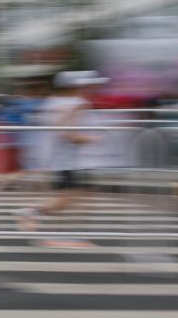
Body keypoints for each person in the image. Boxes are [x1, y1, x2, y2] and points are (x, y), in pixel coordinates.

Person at [14, 70, 109, 249]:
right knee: (74, 198)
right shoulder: (78, 104)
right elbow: (67, 133)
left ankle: (35, 215)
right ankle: (34, 214)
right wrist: (91, 139)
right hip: (71, 160)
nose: (94, 88)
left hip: (61, 159)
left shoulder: (52, 102)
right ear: (76, 86)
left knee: (73, 197)